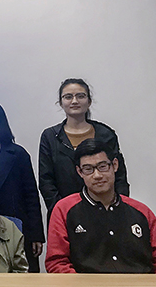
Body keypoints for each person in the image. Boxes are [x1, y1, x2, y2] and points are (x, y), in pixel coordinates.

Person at [45, 138, 156, 274]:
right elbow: (57, 263)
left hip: (140, 285)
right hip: (87, 286)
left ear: (115, 165)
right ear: (79, 172)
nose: (97, 175)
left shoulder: (141, 211)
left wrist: (152, 286)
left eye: (102, 166)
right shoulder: (64, 210)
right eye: (88, 169)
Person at [0, 100, 45, 272]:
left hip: (17, 223)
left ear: (1, 120)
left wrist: (36, 235)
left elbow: (31, 195)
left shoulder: (18, 153)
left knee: (22, 274)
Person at [39, 78, 130, 217]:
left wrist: (117, 208)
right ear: (61, 103)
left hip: (106, 211)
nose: (74, 101)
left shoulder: (106, 134)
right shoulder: (50, 137)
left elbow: (120, 176)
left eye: (80, 96)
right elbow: (46, 181)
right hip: (65, 213)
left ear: (89, 102)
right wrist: (63, 211)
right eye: (68, 97)